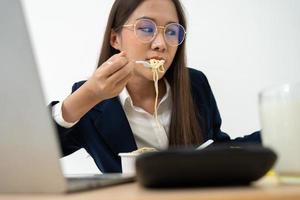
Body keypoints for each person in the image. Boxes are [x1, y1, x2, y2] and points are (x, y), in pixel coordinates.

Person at [51, 0, 261, 173]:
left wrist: (282, 130)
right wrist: (90, 94)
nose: (160, 43)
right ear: (115, 39)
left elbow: (217, 150)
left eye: (171, 32)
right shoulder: (91, 100)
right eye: (145, 28)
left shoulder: (195, 84)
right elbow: (41, 150)